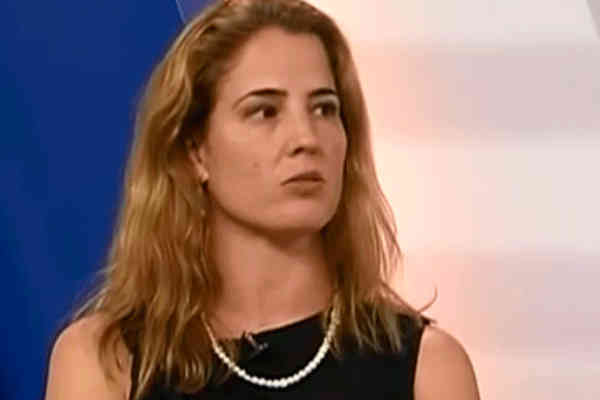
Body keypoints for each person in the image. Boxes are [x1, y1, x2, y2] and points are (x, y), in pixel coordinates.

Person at [44, 0, 480, 399]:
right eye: (265, 111)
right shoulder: (105, 363)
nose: (306, 138)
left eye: (324, 109)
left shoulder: (428, 369)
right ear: (196, 150)